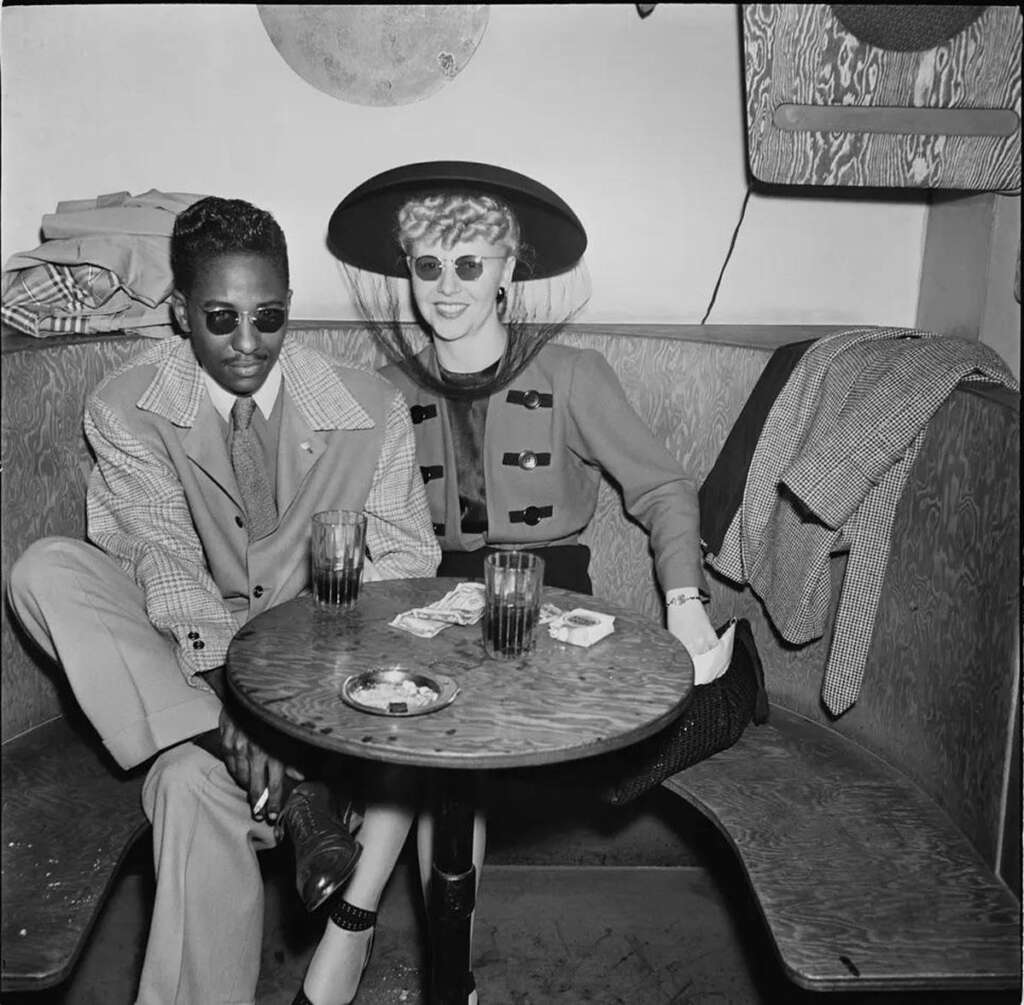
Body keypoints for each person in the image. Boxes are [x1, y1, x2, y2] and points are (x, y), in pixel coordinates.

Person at [312, 162, 768, 1004]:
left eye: (470, 265)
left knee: (442, 734)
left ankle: (354, 926)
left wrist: (684, 600)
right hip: (427, 598)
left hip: (545, 599)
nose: (447, 289)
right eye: (428, 266)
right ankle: (447, 974)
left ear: (508, 270)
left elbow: (665, 490)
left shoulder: (575, 374)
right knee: (424, 722)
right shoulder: (388, 388)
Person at [7, 195, 441, 1005]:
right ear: (179, 312)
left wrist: (297, 705)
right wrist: (233, 708)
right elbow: (162, 563)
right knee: (44, 572)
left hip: (323, 693)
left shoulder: (370, 408)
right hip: (189, 670)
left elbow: (406, 569)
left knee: (181, 779)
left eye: (269, 318)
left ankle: (281, 768)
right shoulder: (125, 407)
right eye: (220, 318)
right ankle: (286, 786)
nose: (248, 345)